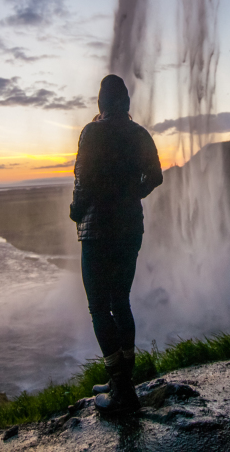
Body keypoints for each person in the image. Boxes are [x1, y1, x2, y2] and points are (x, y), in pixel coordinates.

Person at [70, 74, 163, 415]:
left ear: (101, 101)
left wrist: (75, 211)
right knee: (120, 301)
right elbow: (156, 176)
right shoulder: (138, 133)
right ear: (125, 101)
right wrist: (132, 194)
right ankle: (124, 381)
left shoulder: (92, 132)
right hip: (129, 229)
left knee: (98, 306)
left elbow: (84, 180)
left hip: (97, 231)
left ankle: (121, 390)